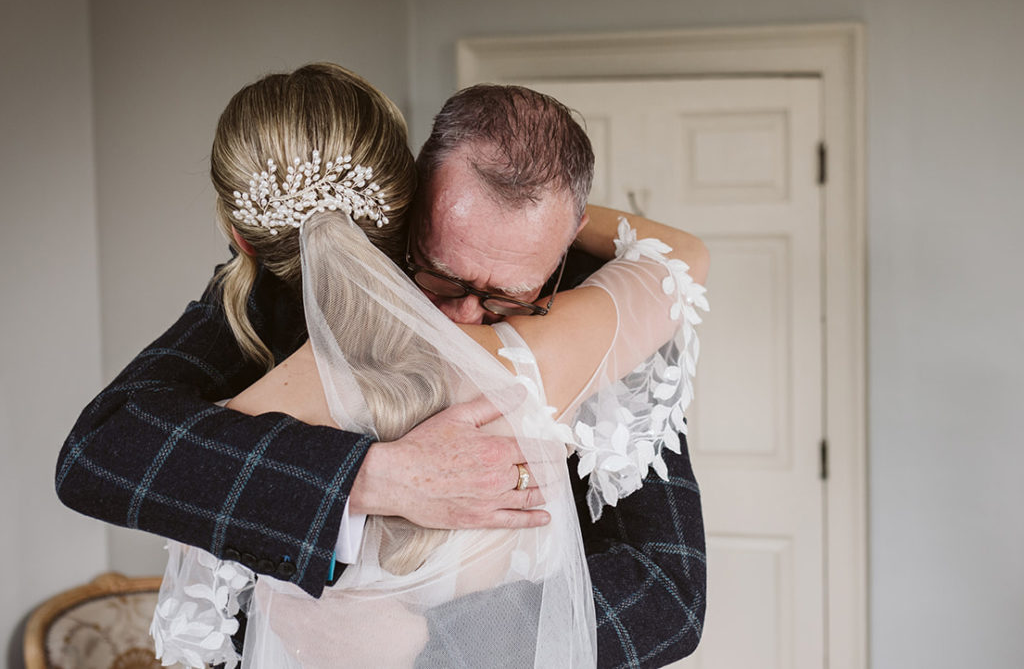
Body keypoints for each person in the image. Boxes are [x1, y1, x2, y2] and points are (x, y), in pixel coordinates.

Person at [57, 67, 708, 667]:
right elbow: (104, 448)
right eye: (441, 277)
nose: (465, 319)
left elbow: (668, 587)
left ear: (566, 245)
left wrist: (434, 647)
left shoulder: (598, 304)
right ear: (409, 200)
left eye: (511, 296)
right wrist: (370, 477)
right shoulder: (291, 279)